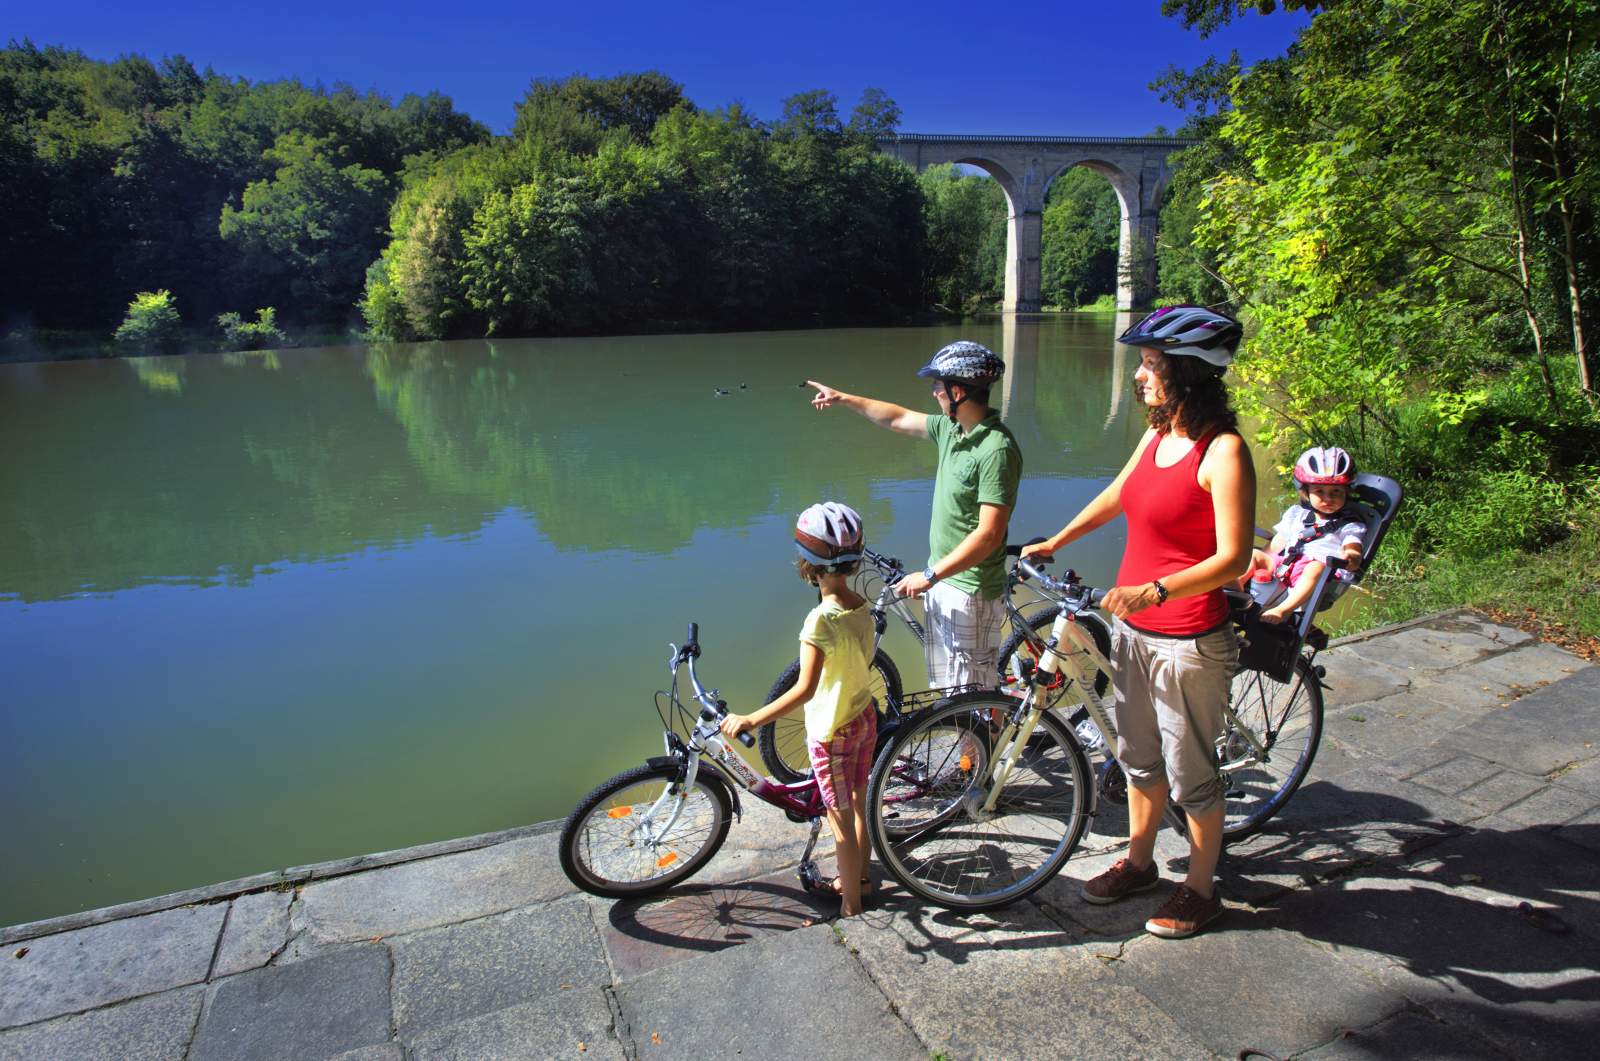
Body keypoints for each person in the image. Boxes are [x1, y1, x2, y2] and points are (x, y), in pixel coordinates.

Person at [1021, 305, 1255, 940]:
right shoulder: (1156, 436)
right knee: (1137, 759)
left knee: (1193, 775)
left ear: (1188, 373)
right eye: (1145, 364)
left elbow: (1231, 557)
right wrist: (1059, 540)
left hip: (1188, 642)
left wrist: (1154, 590)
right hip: (1136, 633)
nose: (1141, 376)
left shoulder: (1223, 451)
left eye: (1152, 365)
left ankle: (1202, 890)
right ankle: (1141, 862)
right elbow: (1119, 493)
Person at [806, 341, 1021, 689]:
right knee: (950, 690)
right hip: (945, 578)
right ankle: (974, 743)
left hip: (970, 590)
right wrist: (843, 398)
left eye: (938, 384)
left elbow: (989, 535)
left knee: (973, 699)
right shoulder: (953, 430)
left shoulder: (996, 449)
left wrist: (931, 575)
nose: (934, 391)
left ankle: (985, 745)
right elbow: (897, 417)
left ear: (958, 390)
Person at [719, 502, 878, 916]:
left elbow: (805, 689)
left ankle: (851, 905)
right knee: (859, 803)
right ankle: (862, 874)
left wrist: (753, 717)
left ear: (807, 564)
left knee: (838, 820)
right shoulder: (862, 607)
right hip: (864, 717)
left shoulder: (819, 622)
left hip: (832, 731)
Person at [1244, 446, 1366, 624]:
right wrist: (1263, 562)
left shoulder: (1350, 525)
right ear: (1305, 492)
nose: (1328, 498)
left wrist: (1352, 557)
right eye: (1319, 492)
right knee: (1255, 555)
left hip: (1317, 575)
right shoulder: (1298, 514)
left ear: (1347, 492)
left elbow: (1353, 547)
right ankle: (1234, 592)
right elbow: (1276, 545)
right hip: (1286, 566)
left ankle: (1283, 610)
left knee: (1316, 567)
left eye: (1336, 492)